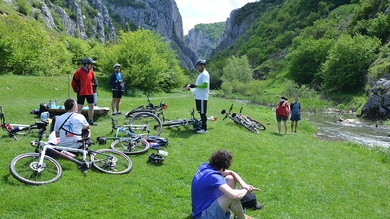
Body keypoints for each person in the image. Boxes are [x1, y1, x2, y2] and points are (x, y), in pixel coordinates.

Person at [191, 150, 260, 219]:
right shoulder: (214, 177)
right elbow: (234, 195)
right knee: (230, 196)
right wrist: (245, 190)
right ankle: (242, 218)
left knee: (230, 179)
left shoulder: (205, 166)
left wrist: (244, 185)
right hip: (202, 216)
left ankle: (238, 216)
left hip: (201, 209)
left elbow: (231, 172)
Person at [186, 59, 210, 134]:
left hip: (202, 97)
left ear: (203, 66)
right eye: (197, 66)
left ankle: (204, 129)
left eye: (199, 66)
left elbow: (205, 85)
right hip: (199, 97)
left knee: (203, 113)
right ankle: (202, 126)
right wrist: (191, 87)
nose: (198, 68)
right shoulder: (201, 74)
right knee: (200, 112)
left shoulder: (204, 74)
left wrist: (195, 85)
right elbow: (198, 86)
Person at [71, 57, 97, 126]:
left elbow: (92, 81)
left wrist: (93, 89)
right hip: (81, 92)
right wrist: (76, 90)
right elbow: (74, 82)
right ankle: (77, 121)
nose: (92, 66)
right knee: (79, 107)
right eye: (91, 64)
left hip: (90, 92)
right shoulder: (78, 72)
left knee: (91, 106)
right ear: (86, 65)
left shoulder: (91, 72)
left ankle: (90, 120)